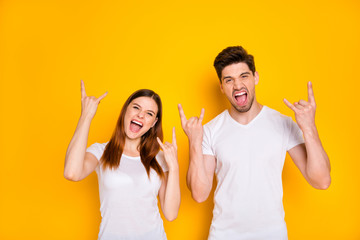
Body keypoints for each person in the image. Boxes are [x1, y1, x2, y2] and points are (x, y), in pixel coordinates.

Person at [178, 46, 331, 240]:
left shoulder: (283, 124)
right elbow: (199, 194)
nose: (238, 85)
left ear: (255, 78)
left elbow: (322, 180)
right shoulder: (210, 130)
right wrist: (194, 142)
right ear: (222, 87)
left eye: (244, 76)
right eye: (229, 80)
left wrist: (309, 128)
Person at [64, 81, 180, 240]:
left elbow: (171, 213)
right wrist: (86, 116)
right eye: (136, 107)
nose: (140, 115)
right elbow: (71, 173)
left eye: (149, 113)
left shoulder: (159, 158)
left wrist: (174, 168)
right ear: (125, 110)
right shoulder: (101, 151)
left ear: (153, 123)